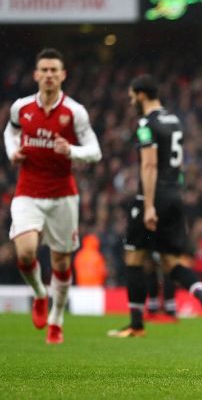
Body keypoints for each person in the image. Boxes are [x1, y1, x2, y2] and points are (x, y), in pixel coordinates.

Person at [108, 74, 202, 339]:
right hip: (174, 196)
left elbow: (148, 164)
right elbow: (177, 164)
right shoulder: (174, 121)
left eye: (132, 97)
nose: (131, 102)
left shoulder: (145, 124)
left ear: (141, 95)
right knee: (172, 263)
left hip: (152, 197)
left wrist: (148, 206)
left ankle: (136, 325)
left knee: (134, 258)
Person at [4, 48, 102, 344]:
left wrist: (71, 150)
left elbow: (95, 152)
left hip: (62, 196)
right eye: (44, 70)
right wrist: (13, 152)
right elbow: (10, 132)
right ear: (36, 75)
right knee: (25, 253)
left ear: (62, 75)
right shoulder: (21, 107)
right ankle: (39, 294)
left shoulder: (75, 112)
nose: (48, 75)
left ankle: (56, 320)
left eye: (53, 70)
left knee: (61, 264)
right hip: (28, 191)